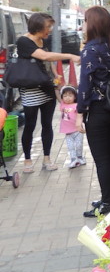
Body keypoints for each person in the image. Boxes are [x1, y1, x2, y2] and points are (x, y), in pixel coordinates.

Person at [17, 13, 80, 173]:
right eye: (48, 27)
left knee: (47, 125)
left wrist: (56, 75)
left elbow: (48, 61)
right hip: (30, 89)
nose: (50, 30)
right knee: (30, 125)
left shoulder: (42, 41)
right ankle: (27, 160)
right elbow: (44, 55)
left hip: (46, 87)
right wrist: (70, 56)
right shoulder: (23, 41)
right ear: (38, 27)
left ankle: (47, 158)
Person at [77, 6, 110, 217]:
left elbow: (85, 85)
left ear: (92, 24)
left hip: (97, 110)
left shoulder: (90, 50)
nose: (83, 25)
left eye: (85, 21)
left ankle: (107, 202)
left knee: (102, 158)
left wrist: (79, 113)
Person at [59, 85, 85, 169]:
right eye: (65, 96)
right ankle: (73, 159)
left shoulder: (77, 105)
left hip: (77, 130)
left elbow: (80, 115)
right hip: (67, 132)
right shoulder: (62, 105)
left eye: (70, 95)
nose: (67, 98)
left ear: (75, 96)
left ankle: (80, 157)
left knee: (79, 145)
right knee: (70, 147)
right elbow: (58, 95)